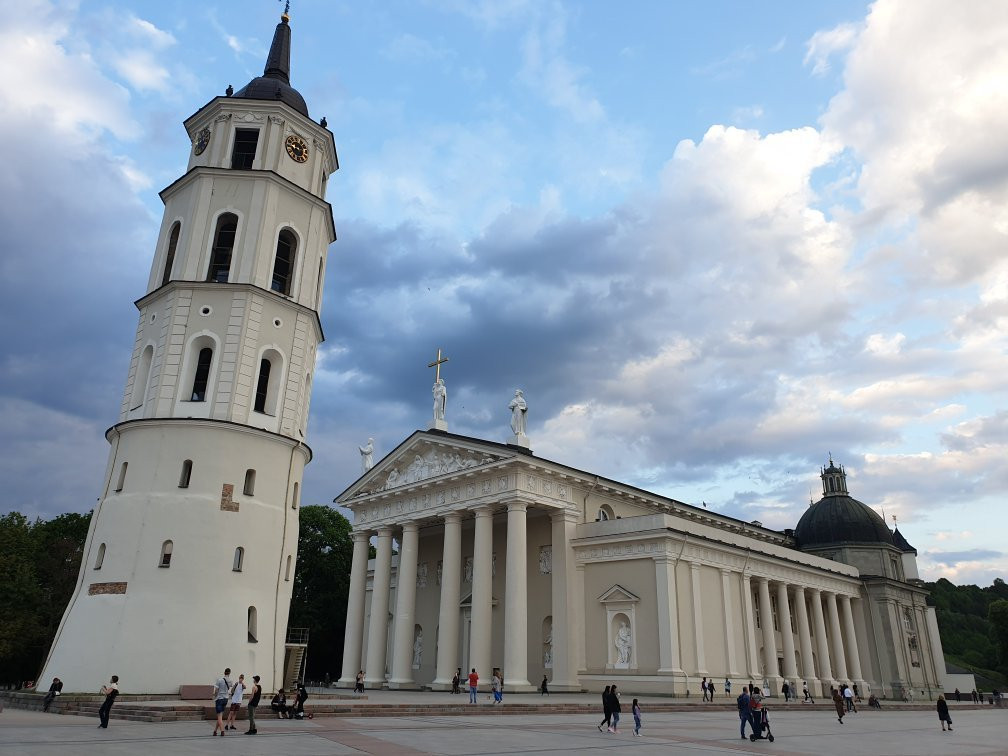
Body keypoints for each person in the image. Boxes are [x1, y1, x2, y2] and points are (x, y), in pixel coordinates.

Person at [213, 668, 232, 735]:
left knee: (219, 716)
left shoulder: (219, 680)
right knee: (220, 716)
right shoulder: (230, 681)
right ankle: (215, 731)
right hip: (225, 699)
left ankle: (222, 731)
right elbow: (230, 687)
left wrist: (215, 697)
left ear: (224, 672)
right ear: (229, 673)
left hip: (219, 699)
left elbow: (216, 690)